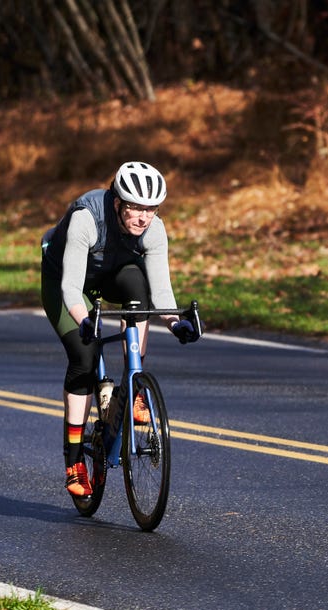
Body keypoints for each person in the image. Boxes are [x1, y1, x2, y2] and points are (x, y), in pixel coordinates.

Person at [40, 161, 199, 498]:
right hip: (67, 282)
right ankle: (73, 462)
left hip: (112, 274)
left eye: (151, 209)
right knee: (84, 356)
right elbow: (70, 287)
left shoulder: (154, 230)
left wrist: (176, 323)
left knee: (137, 284)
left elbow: (161, 290)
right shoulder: (87, 217)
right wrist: (84, 321)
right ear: (117, 203)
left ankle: (133, 387)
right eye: (136, 208)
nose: (143, 217)